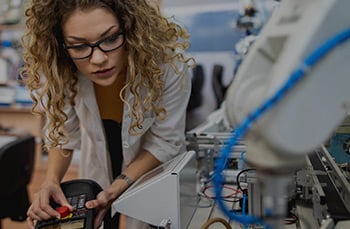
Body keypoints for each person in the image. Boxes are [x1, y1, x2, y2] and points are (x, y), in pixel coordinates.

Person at [22, 0, 192, 228]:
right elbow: (64, 135)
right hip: (100, 157)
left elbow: (165, 140)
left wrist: (117, 186)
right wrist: (50, 181)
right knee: (98, 217)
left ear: (130, 29)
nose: (98, 59)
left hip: (153, 162)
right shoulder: (61, 69)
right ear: (61, 45)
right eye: (79, 46)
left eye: (111, 38)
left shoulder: (167, 65)